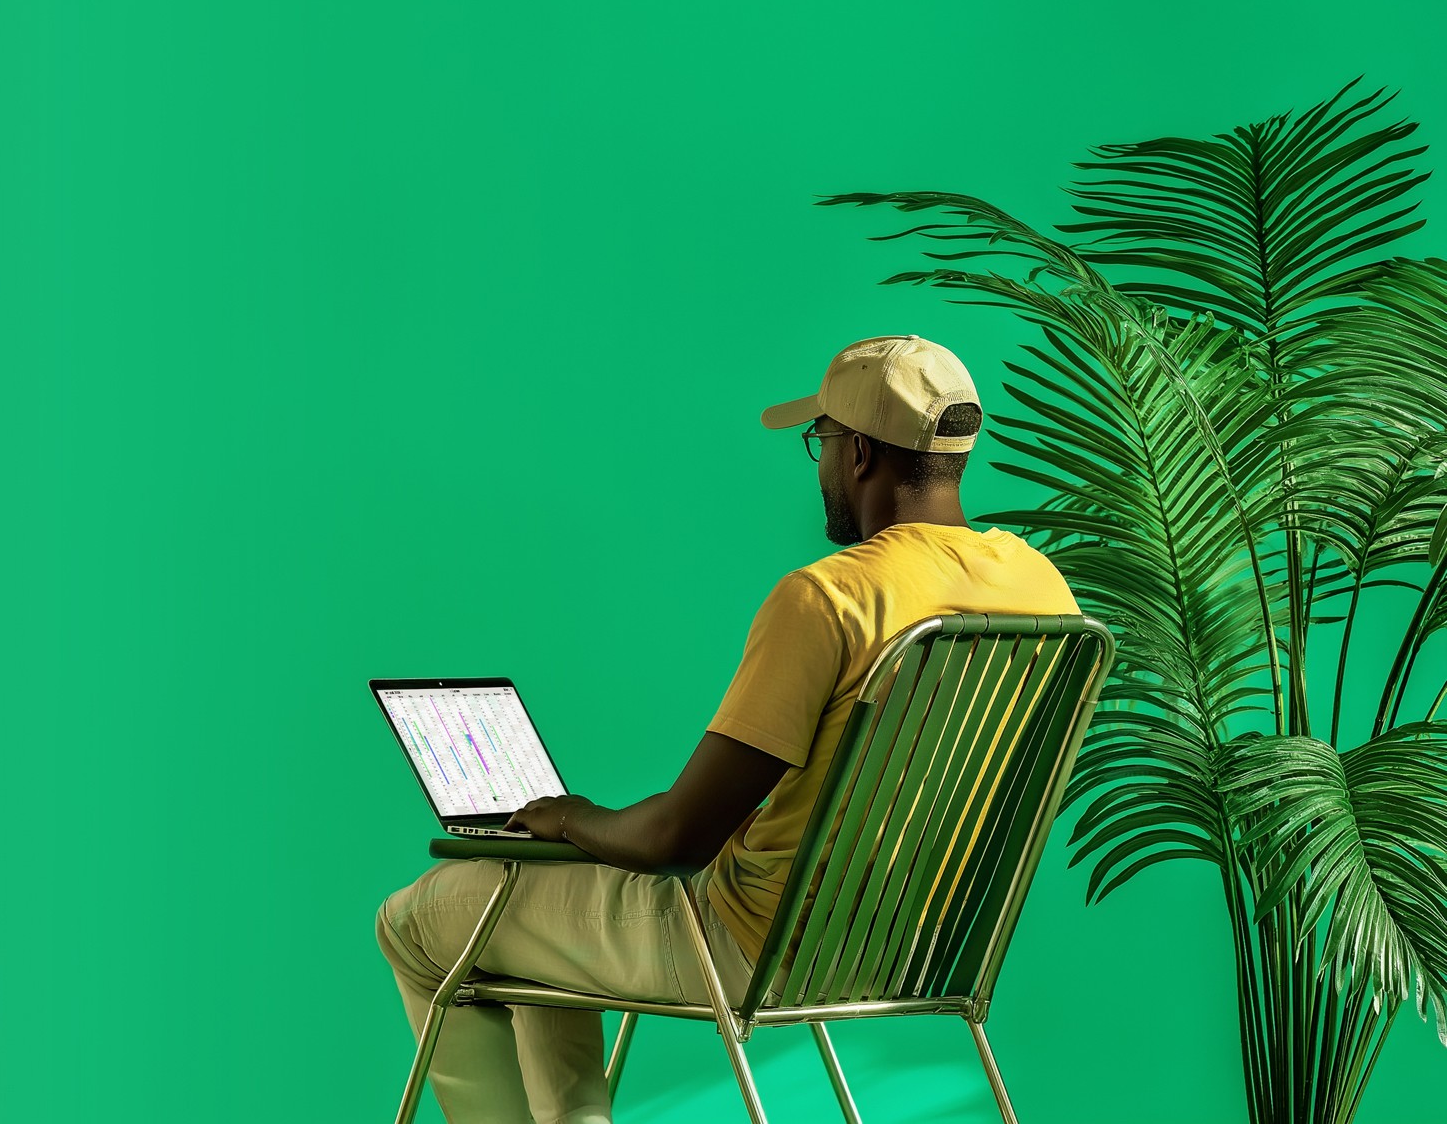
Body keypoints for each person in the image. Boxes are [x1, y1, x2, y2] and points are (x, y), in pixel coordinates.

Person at [375, 334, 1080, 1124]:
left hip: (754, 945)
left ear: (858, 454)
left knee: (421, 917)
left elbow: (678, 837)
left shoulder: (832, 596)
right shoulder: (1042, 588)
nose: (819, 465)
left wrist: (570, 815)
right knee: (538, 899)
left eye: (821, 440)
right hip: (916, 948)